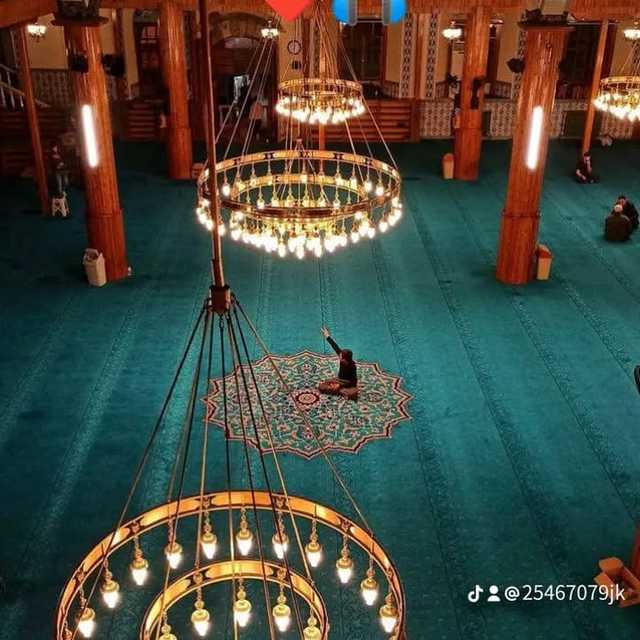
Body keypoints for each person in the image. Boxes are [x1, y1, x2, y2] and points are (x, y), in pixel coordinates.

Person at [318, 327, 358, 400]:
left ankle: (346, 392)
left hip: (346, 382)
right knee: (322, 386)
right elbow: (335, 346)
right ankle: (344, 391)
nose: (339, 356)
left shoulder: (352, 366)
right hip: (340, 380)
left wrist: (340, 386)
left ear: (345, 359)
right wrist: (327, 336)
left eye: (341, 356)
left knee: (330, 388)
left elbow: (353, 382)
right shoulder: (343, 357)